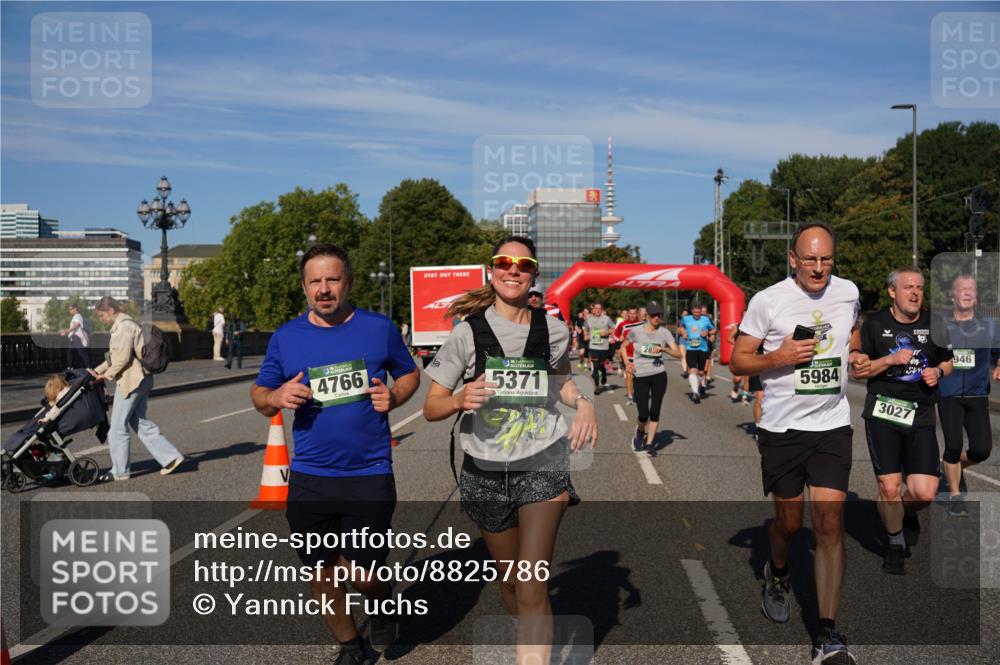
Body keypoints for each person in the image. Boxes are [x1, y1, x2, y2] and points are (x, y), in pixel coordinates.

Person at [422, 236, 597, 665]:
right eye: (504, 262)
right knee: (512, 583)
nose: (513, 270)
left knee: (532, 582)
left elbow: (562, 381)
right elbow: (431, 408)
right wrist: (460, 399)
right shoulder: (467, 333)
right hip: (484, 471)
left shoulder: (554, 330)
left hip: (542, 463)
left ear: (534, 273)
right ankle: (531, 637)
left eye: (523, 264)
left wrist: (584, 403)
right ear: (492, 270)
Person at [251, 243, 420, 665]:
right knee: (322, 571)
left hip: (368, 472)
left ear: (349, 283)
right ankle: (350, 646)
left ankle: (382, 601)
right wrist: (274, 396)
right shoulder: (286, 337)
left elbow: (409, 373)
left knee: (363, 575)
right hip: (310, 476)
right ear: (304, 286)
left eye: (332, 279)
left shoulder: (378, 328)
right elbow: (260, 395)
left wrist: (394, 396)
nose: (324, 289)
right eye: (315, 281)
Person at [730, 222, 869, 665]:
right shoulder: (768, 300)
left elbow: (851, 334)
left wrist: (856, 355)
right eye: (809, 259)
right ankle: (778, 571)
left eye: (826, 259)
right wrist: (778, 357)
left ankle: (827, 634)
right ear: (793, 258)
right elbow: (736, 360)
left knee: (828, 524)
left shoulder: (848, 292)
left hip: (831, 426)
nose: (818, 267)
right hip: (783, 431)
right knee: (789, 525)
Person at [859, 268, 953, 574]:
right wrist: (889, 359)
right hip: (883, 411)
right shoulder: (874, 324)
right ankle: (895, 543)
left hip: (921, 412)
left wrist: (938, 372)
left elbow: (948, 360)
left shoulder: (935, 323)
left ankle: (906, 512)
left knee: (924, 493)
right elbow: (860, 371)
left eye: (919, 288)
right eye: (908, 287)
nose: (915, 293)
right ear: (892, 291)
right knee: (889, 488)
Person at [90, 296, 184, 481]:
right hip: (141, 379)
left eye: (102, 315)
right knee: (139, 421)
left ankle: (120, 471)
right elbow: (114, 357)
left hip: (132, 381)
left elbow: (122, 359)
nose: (101, 319)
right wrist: (96, 371)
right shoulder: (126, 325)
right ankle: (171, 458)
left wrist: (105, 375)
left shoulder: (124, 327)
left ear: (110, 311)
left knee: (117, 428)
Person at [938, 274, 1000, 516]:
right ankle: (955, 495)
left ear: (976, 296)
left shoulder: (989, 325)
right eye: (961, 288)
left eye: (971, 289)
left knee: (982, 450)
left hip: (977, 394)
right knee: (953, 445)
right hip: (949, 393)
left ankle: (953, 466)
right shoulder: (941, 323)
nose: (966, 293)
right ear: (952, 295)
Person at [626, 302, 682, 457]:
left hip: (659, 375)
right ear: (647, 316)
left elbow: (678, 353)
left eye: (659, 315)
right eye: (653, 315)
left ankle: (650, 444)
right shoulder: (636, 331)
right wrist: (627, 363)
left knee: (655, 411)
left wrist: (665, 349)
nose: (657, 317)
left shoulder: (664, 333)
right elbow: (623, 347)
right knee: (643, 414)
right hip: (640, 376)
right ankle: (640, 430)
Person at [678, 303, 715, 403]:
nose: (697, 314)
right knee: (693, 370)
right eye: (695, 312)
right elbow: (681, 328)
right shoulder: (686, 319)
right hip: (690, 348)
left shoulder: (706, 319)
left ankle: (699, 386)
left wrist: (708, 333)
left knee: (701, 372)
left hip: (703, 348)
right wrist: (683, 332)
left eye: (699, 312)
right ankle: (695, 393)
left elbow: (714, 330)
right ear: (692, 311)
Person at [615, 307, 643, 405]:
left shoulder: (642, 324)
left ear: (637, 314)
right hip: (628, 354)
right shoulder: (623, 325)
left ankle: (636, 392)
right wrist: (619, 338)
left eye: (634, 313)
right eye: (630, 313)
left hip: (640, 354)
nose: (632, 315)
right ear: (627, 314)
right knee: (629, 376)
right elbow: (615, 335)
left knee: (639, 377)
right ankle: (630, 397)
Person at [585, 302, 612, 394]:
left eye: (599, 308)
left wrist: (607, 332)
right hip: (593, 346)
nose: (597, 310)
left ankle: (604, 373)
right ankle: (597, 386)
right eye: (596, 308)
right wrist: (586, 335)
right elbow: (585, 329)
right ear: (593, 309)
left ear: (602, 310)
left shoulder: (606, 319)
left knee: (600, 365)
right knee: (595, 367)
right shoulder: (589, 319)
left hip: (604, 347)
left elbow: (613, 328)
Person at [60, 302, 90, 369]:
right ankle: (70, 366)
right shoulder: (75, 316)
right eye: (69, 309)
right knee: (70, 352)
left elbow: (76, 326)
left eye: (71, 309)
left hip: (77, 337)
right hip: (73, 337)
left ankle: (88, 367)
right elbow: (73, 327)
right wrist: (66, 331)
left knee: (81, 352)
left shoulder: (77, 316)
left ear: (75, 309)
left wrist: (66, 331)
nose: (69, 311)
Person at [678, 308, 690, 378]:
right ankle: (685, 371)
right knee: (683, 355)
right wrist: (682, 332)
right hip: (682, 339)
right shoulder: (680, 321)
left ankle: (690, 369)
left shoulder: (691, 321)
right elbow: (678, 330)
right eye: (684, 315)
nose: (685, 316)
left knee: (689, 355)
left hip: (689, 339)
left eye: (686, 315)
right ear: (681, 315)